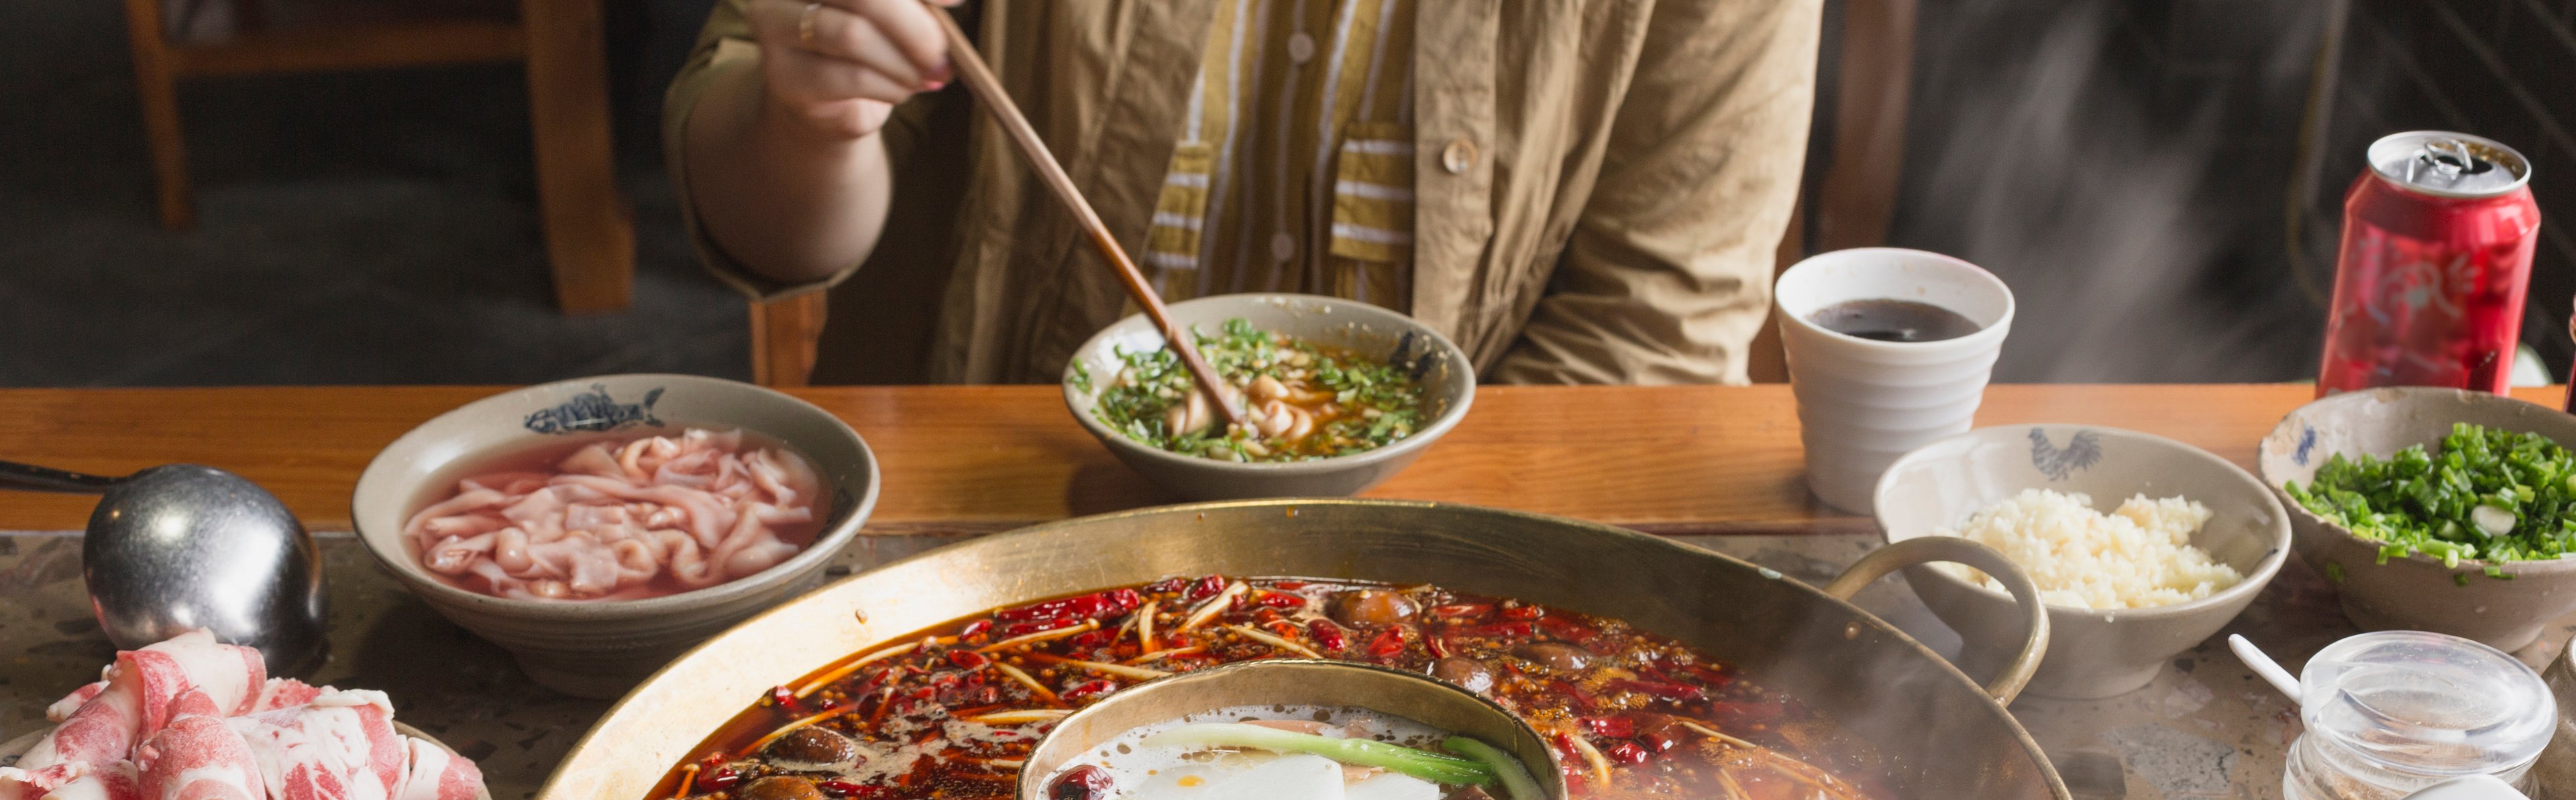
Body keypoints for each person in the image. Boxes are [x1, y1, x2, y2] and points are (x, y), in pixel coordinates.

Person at [665, 0, 1821, 384]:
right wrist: (810, 119)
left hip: (1445, 564)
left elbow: (1653, 333)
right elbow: (763, 228)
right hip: (983, 523)